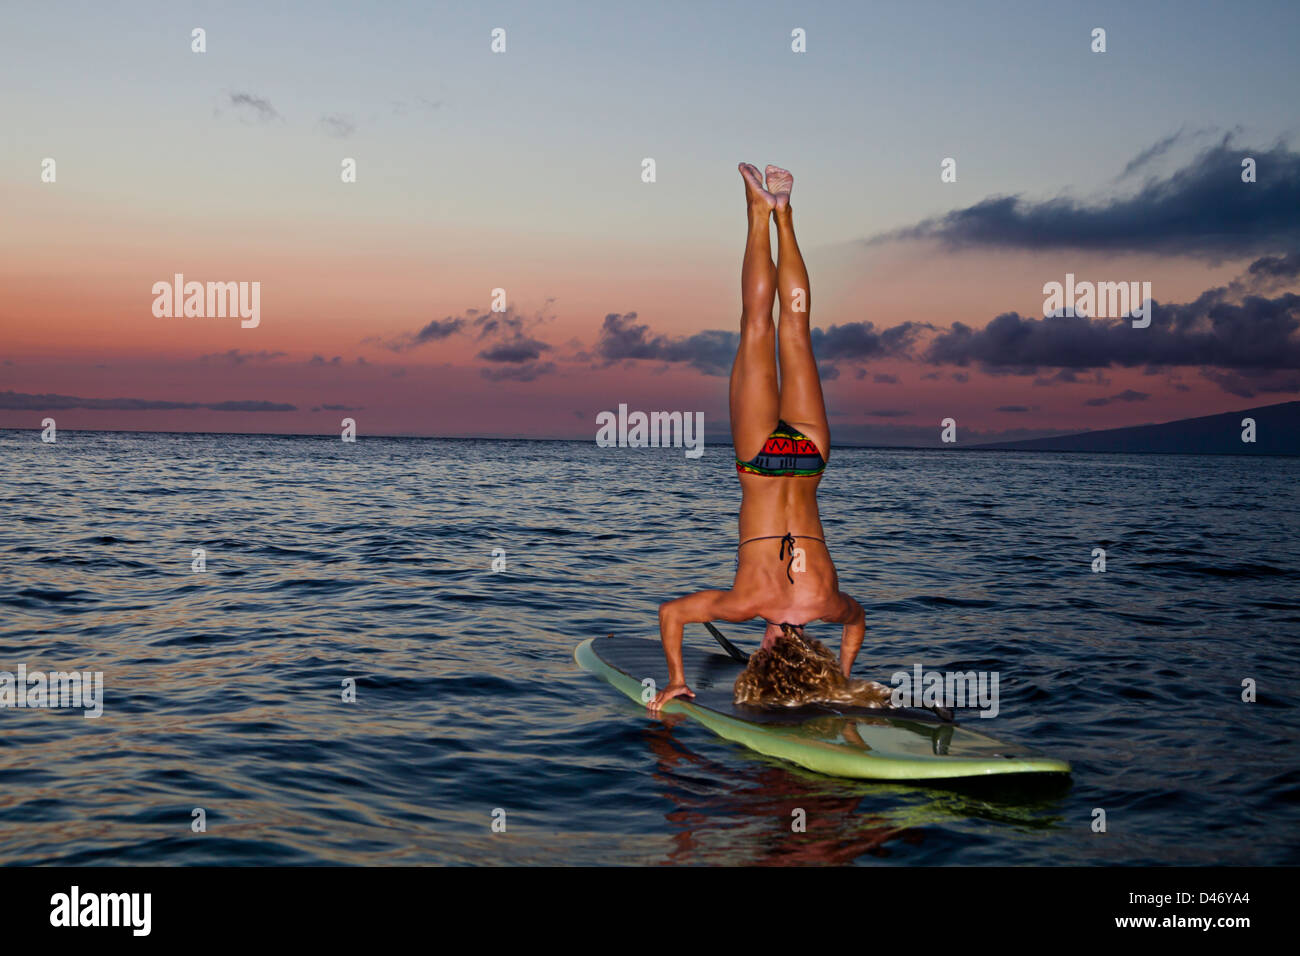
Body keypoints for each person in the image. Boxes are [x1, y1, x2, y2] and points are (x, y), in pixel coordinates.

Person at [649, 163, 866, 714]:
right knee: (756, 326)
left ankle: (787, 213)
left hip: (809, 459)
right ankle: (755, 211)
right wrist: (675, 679)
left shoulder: (827, 604)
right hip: (763, 463)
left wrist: (841, 675)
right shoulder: (747, 605)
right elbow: (671, 612)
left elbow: (858, 620)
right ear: (767, 652)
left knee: (796, 326)